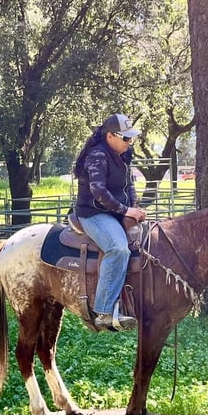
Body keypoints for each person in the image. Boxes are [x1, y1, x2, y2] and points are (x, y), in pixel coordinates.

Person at [73, 113, 147, 330]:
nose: (129, 142)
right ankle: (104, 311)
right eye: (125, 138)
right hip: (94, 214)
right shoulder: (97, 155)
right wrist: (126, 210)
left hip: (117, 212)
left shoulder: (123, 154)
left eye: (130, 138)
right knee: (118, 249)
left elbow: (129, 185)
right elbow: (98, 192)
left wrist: (134, 208)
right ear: (110, 136)